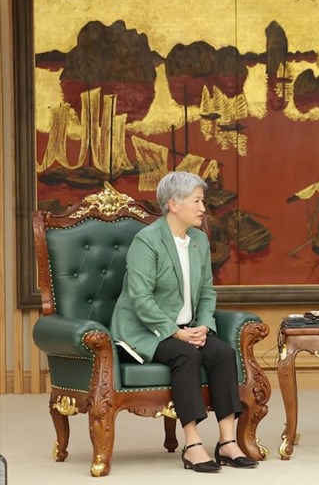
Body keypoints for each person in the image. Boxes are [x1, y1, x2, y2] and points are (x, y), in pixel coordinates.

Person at [110, 171, 258, 473]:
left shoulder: (200, 241)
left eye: (202, 201)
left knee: (222, 353)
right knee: (187, 355)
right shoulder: (147, 241)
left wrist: (204, 324)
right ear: (173, 204)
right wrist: (174, 332)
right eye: (197, 201)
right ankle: (192, 445)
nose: (203, 208)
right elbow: (140, 298)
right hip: (144, 331)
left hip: (187, 327)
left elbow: (206, 291)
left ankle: (227, 443)